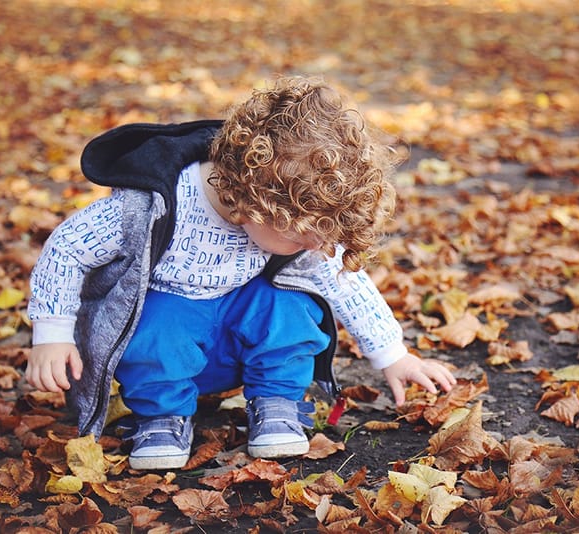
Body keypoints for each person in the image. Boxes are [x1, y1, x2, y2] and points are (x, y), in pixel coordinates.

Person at [26, 76, 456, 470]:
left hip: (234, 332)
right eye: (304, 237)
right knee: (157, 323)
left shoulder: (297, 223)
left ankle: (277, 403)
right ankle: (162, 416)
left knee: (287, 308)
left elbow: (345, 281)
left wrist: (393, 355)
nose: (317, 248)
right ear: (254, 203)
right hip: (168, 338)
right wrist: (53, 333)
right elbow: (68, 248)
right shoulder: (155, 203)